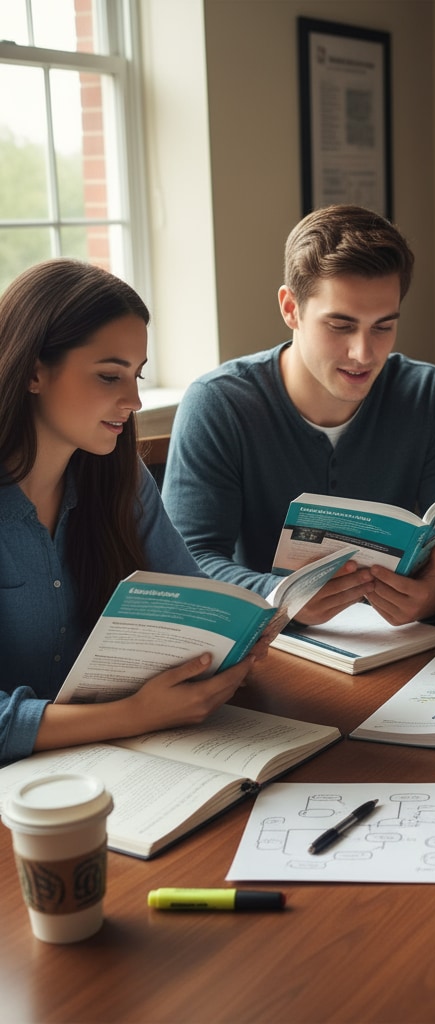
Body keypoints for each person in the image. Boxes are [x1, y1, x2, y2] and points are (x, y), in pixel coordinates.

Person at [163, 204, 435, 627]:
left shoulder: (424, 394)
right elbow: (187, 562)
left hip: (395, 644)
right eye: (340, 326)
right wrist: (281, 600)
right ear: (291, 308)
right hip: (267, 648)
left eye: (383, 326)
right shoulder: (219, 404)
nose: (363, 353)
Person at [0, 259, 253, 765]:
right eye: (109, 376)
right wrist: (133, 715)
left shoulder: (120, 477)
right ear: (33, 371)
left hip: (120, 761)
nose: (134, 400)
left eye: (137, 375)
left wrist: (233, 642)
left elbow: (187, 595)